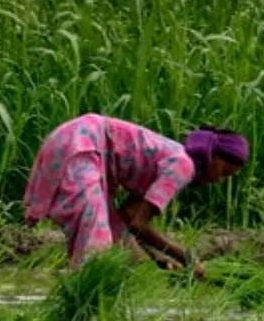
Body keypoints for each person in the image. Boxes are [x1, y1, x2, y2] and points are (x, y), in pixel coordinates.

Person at [23, 114, 248, 271]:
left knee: (127, 253)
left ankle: (87, 303)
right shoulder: (183, 166)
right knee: (98, 245)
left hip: (79, 139)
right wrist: (186, 257)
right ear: (212, 155)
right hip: (84, 141)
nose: (218, 179)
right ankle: (83, 303)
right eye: (223, 171)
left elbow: (130, 217)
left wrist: (157, 257)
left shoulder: (173, 158)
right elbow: (140, 223)